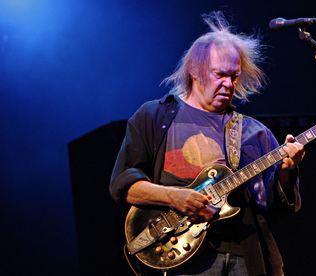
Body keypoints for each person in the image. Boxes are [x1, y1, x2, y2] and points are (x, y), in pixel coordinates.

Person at [110, 11, 305, 276]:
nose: (228, 84)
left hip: (247, 258)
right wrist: (174, 197)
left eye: (234, 76)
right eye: (219, 74)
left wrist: (287, 170)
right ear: (194, 70)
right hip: (184, 259)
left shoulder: (254, 133)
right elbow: (125, 187)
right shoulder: (154, 117)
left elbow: (276, 209)